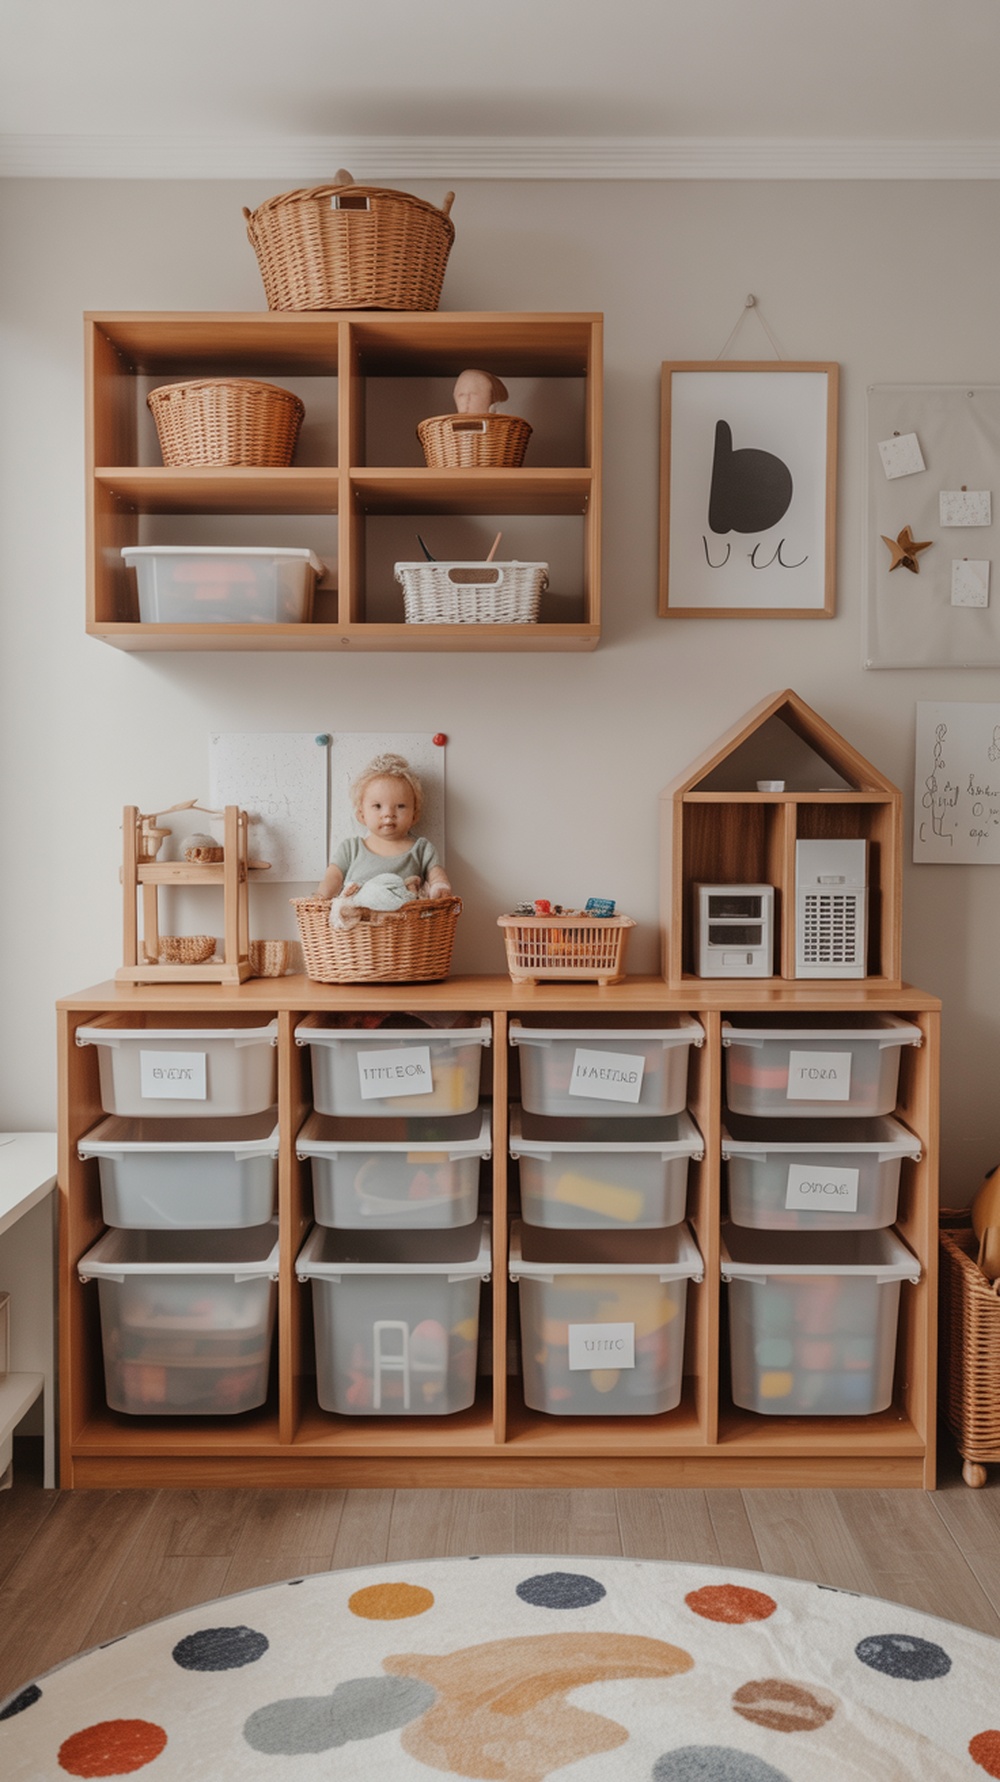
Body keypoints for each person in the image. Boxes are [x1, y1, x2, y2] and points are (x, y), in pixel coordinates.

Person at [316, 753, 452, 917]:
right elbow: (334, 877)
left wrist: (440, 886)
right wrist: (321, 897)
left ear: (414, 815)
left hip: (406, 927)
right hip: (359, 929)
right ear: (361, 815)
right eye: (377, 806)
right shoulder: (351, 848)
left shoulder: (421, 848)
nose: (388, 814)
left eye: (400, 806)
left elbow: (436, 873)